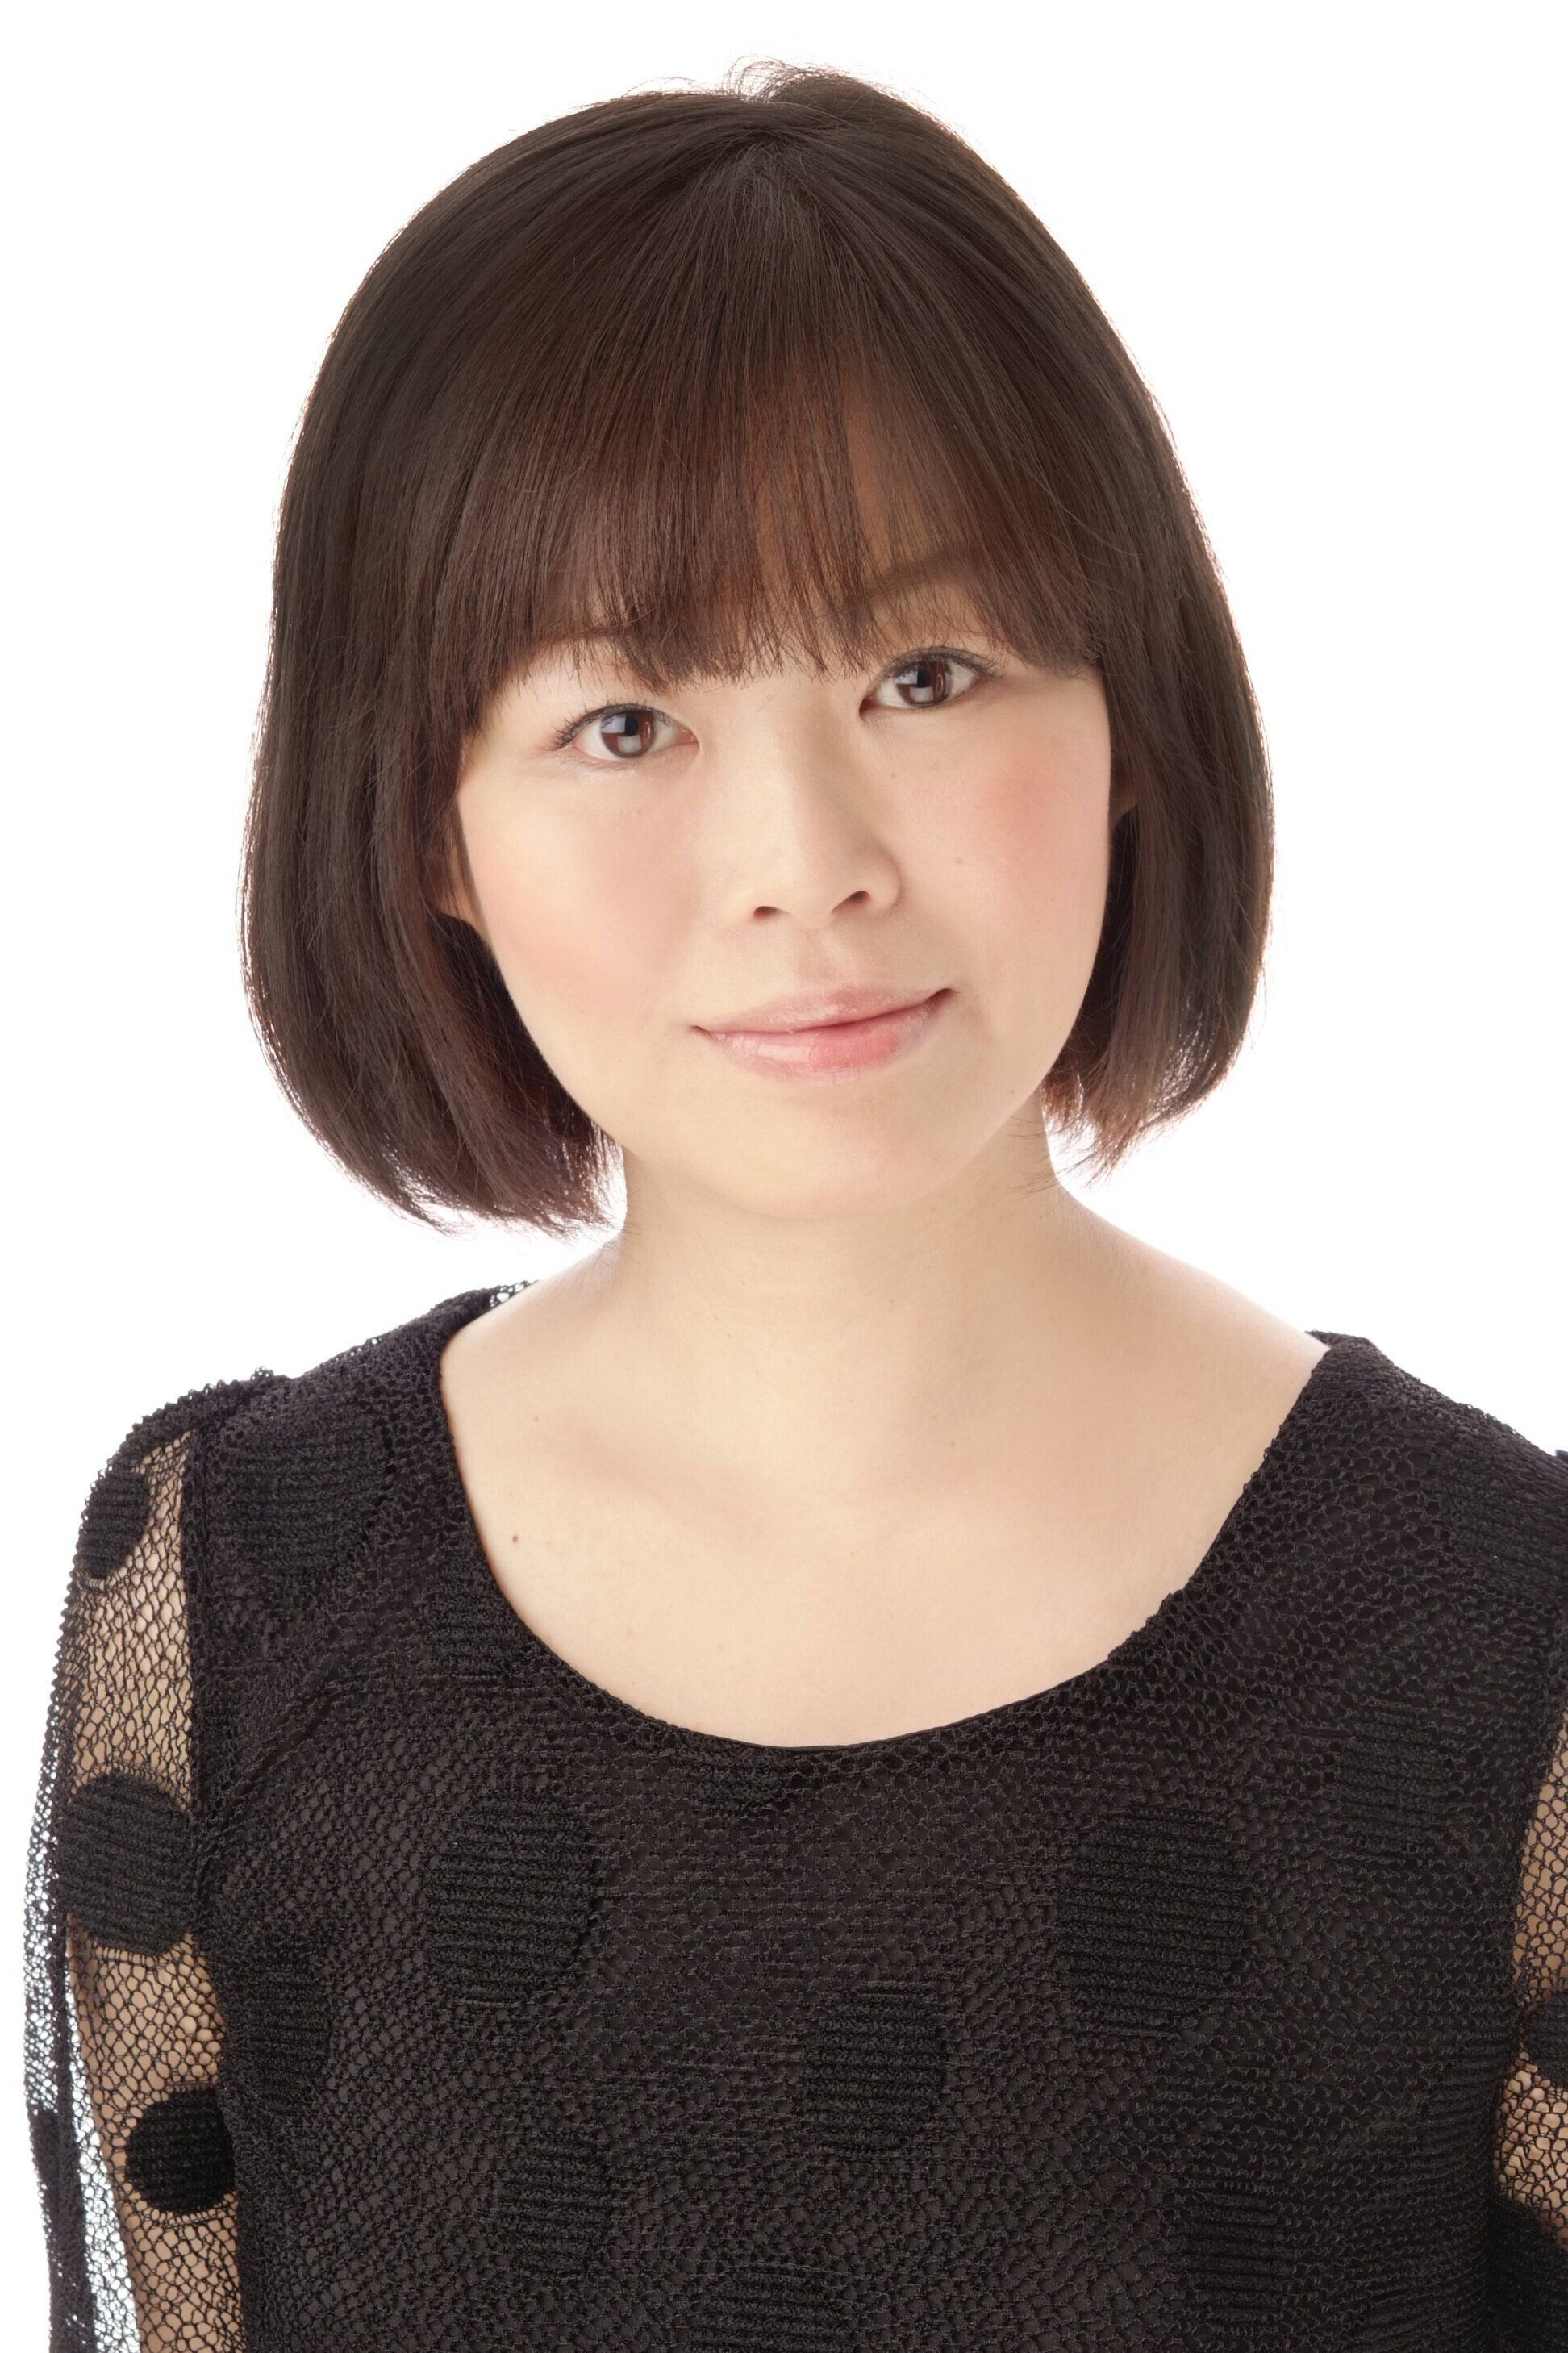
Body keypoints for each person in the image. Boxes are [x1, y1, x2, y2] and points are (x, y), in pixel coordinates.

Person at [23, 57, 1568, 2353]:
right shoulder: (230, 1600)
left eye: (925, 674)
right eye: (626, 723)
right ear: (426, 825)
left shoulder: (1505, 1637)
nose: (807, 864)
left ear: (1129, 723)